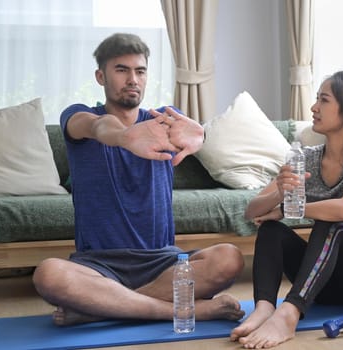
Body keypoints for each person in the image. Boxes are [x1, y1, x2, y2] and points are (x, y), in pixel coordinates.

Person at [32, 33, 245, 326]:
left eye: (140, 71)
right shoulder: (79, 116)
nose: (132, 79)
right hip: (99, 264)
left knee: (229, 258)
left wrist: (201, 135)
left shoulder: (165, 120)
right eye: (121, 69)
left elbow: (191, 133)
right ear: (100, 76)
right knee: (48, 274)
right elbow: (97, 126)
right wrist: (123, 137)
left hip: (162, 262)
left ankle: (103, 308)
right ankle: (187, 310)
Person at [230, 71, 343, 348]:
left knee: (332, 225)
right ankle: (264, 308)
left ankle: (288, 314)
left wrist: (291, 210)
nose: (313, 107)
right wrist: (279, 189)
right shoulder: (306, 158)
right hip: (328, 281)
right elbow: (252, 212)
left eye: (323, 100)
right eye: (316, 99)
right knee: (272, 231)